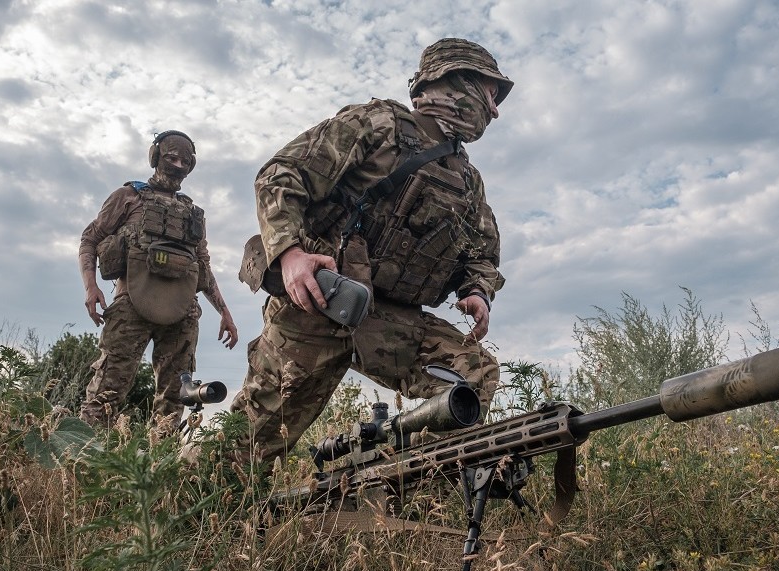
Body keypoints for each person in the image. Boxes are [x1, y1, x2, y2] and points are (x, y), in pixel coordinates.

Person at [233, 38, 512, 467]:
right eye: (491, 94)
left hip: (388, 322)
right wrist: (289, 254)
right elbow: (280, 175)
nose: (494, 111)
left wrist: (477, 290)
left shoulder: (467, 180)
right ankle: (180, 497)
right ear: (457, 81)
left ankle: (406, 481)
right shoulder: (378, 124)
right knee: (249, 448)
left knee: (472, 375)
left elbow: (482, 252)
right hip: (319, 303)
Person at [78, 130, 238, 427]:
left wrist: (224, 312)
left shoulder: (192, 213)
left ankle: (161, 456)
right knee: (106, 394)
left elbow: (202, 266)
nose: (178, 166)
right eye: (171, 158)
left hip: (182, 311)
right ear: (155, 158)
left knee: (174, 399)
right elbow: (90, 239)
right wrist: (91, 287)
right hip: (131, 304)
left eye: (185, 162)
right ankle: (84, 455)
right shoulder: (127, 197)